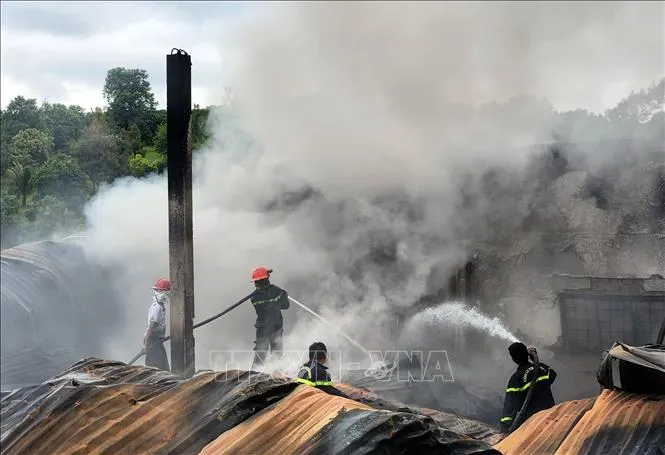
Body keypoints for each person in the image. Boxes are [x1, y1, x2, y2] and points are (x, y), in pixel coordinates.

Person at [500, 342, 557, 434]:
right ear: (527, 354)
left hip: (532, 421)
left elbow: (510, 405)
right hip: (550, 414)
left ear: (514, 359)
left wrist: (504, 428)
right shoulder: (541, 368)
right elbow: (553, 375)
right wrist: (535, 361)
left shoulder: (516, 378)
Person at [250, 267, 290, 369]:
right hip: (275, 326)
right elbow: (286, 305)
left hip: (262, 328)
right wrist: (283, 295)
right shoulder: (276, 291)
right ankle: (277, 374)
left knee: (260, 354)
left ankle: (254, 374)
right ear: (266, 279)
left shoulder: (254, 297)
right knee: (276, 354)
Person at [143, 277, 170, 371]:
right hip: (153, 342)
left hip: (157, 342)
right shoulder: (157, 307)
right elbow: (151, 327)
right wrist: (146, 345)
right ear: (158, 291)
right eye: (165, 291)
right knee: (156, 370)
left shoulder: (160, 306)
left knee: (164, 368)